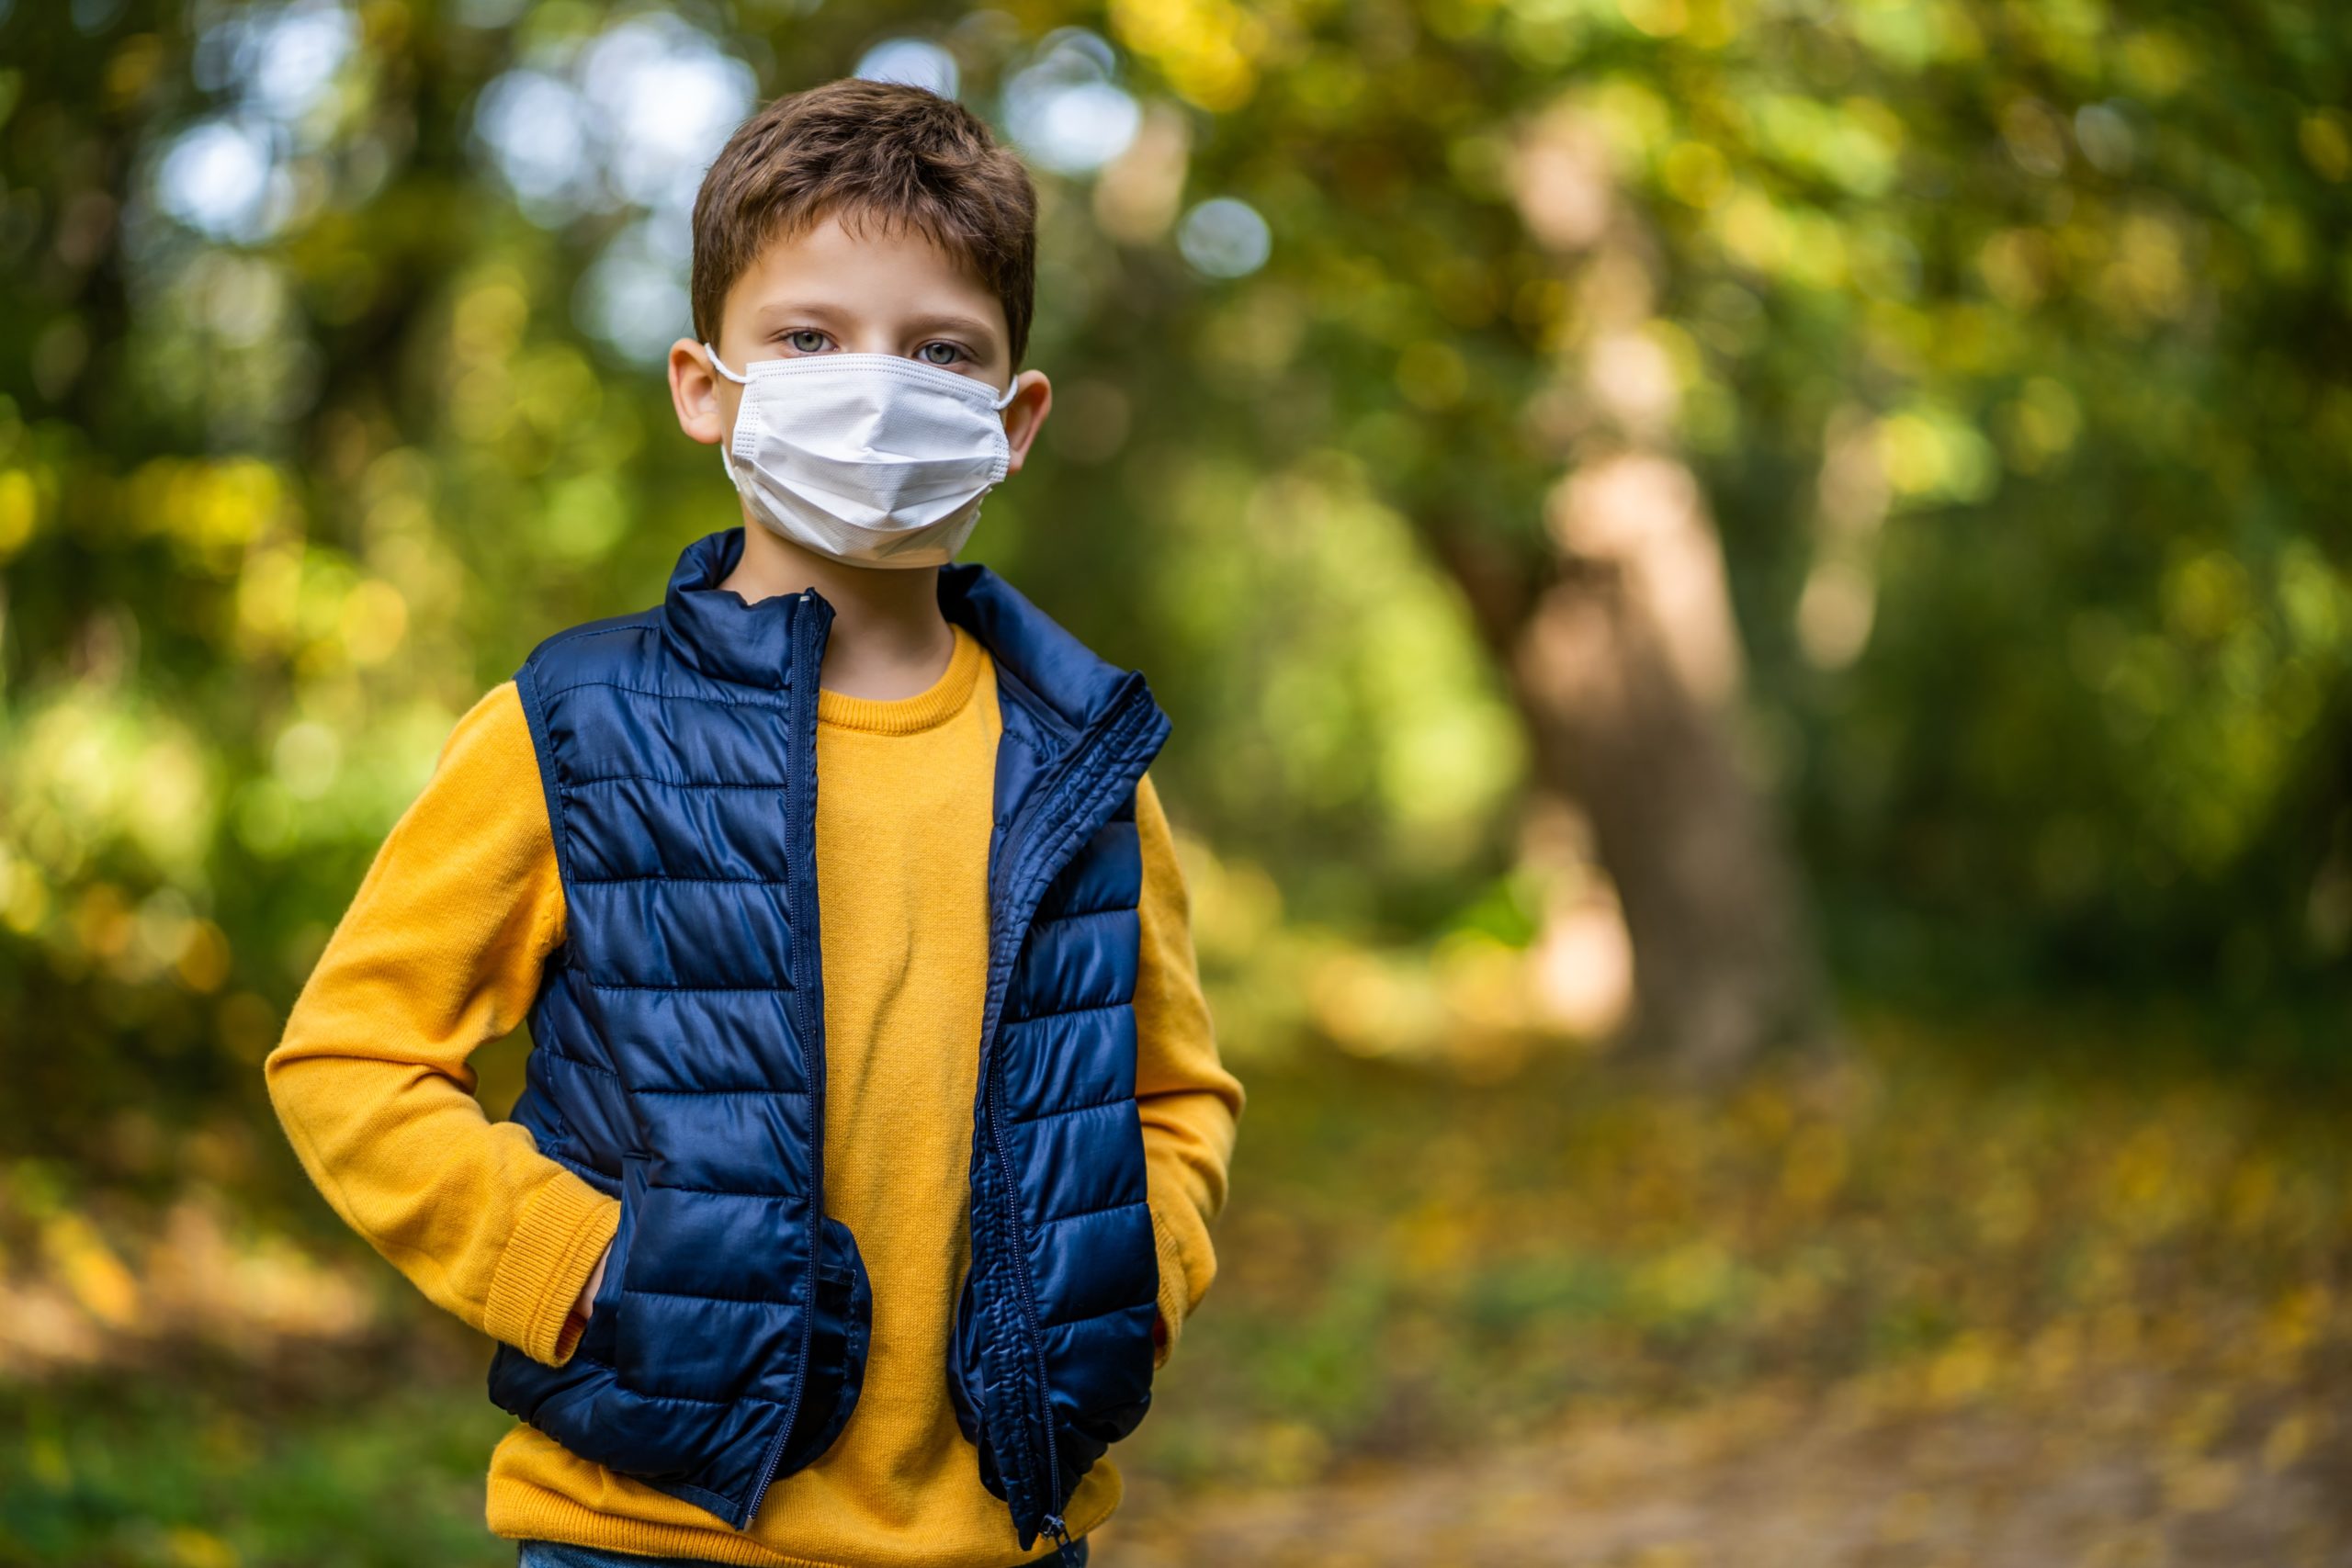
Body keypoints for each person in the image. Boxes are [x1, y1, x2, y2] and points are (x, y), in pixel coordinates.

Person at [263, 77, 1245, 1568]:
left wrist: (1144, 1277)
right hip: (641, 1532)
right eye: (808, 337)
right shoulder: (575, 729)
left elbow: (1174, 1094)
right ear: (703, 384)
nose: (874, 385)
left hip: (1007, 1539)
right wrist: (575, 1269)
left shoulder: (1078, 759)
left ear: (1014, 416)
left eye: (940, 350)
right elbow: (350, 1062)